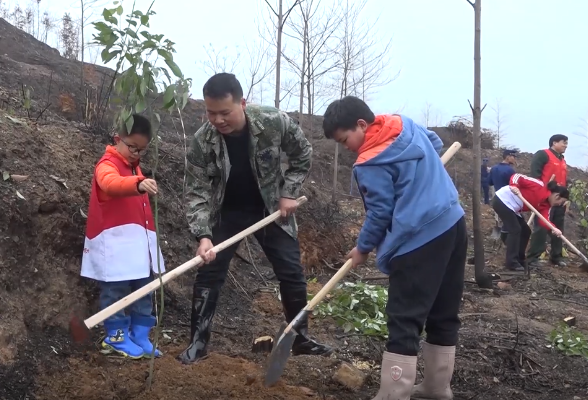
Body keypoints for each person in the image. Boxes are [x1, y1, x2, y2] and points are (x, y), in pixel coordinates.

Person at [179, 73, 332, 364]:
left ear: (243, 103)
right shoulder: (203, 141)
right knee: (209, 272)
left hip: (270, 208)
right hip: (226, 211)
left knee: (291, 272)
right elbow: (196, 191)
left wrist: (289, 192)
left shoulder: (272, 121)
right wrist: (204, 235)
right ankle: (198, 342)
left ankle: (299, 338)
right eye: (211, 113)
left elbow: (302, 152)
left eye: (225, 112)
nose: (218, 120)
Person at [322, 96, 467, 400]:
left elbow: (380, 213)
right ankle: (436, 388)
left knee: (405, 316)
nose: (346, 147)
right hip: (453, 223)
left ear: (362, 125)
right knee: (443, 309)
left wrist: (362, 248)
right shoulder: (404, 125)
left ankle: (393, 394)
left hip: (419, 240)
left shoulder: (370, 163)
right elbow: (436, 142)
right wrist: (419, 174)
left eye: (345, 138)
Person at [80, 114, 164, 359]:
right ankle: (116, 336)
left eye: (142, 150)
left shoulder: (133, 165)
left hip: (137, 244)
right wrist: (138, 184)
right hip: (115, 244)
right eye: (132, 147)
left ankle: (140, 334)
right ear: (118, 139)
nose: (136, 154)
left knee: (143, 288)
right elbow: (111, 184)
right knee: (114, 290)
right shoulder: (106, 164)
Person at [492, 173, 568, 272]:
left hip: (514, 207)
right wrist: (514, 185)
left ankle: (520, 259)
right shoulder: (539, 185)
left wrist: (554, 229)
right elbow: (517, 176)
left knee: (526, 231)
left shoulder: (546, 205)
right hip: (503, 200)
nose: (559, 204)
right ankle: (511, 262)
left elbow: (544, 221)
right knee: (515, 229)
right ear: (557, 196)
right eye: (561, 202)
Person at [526, 134, 569, 268]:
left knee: (557, 228)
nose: (566, 145)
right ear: (554, 143)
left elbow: (564, 180)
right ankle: (533, 257)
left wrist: (566, 199)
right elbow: (535, 175)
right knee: (542, 227)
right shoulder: (543, 155)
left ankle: (556, 256)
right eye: (564, 143)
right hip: (546, 198)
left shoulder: (562, 159)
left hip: (559, 199)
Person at [488, 149, 517, 242]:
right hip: (508, 199)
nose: (514, 159)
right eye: (513, 157)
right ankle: (506, 240)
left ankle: (502, 238)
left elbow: (489, 182)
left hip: (497, 199)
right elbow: (515, 186)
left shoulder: (494, 168)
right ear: (508, 157)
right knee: (510, 221)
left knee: (503, 218)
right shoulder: (510, 171)